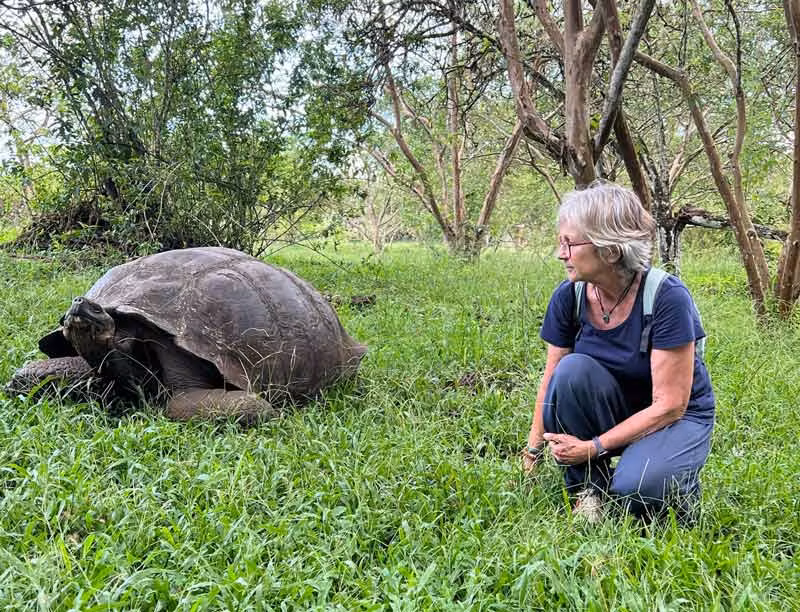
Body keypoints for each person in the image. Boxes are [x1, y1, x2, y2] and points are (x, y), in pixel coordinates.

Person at [522, 181, 715, 522]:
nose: (560, 254)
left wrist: (593, 447)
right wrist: (531, 452)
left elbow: (670, 406)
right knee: (571, 372)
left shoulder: (667, 298)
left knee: (640, 488)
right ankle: (589, 492)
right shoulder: (571, 296)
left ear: (610, 250)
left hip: (673, 418)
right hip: (614, 406)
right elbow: (552, 377)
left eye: (569, 244)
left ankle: (674, 483)